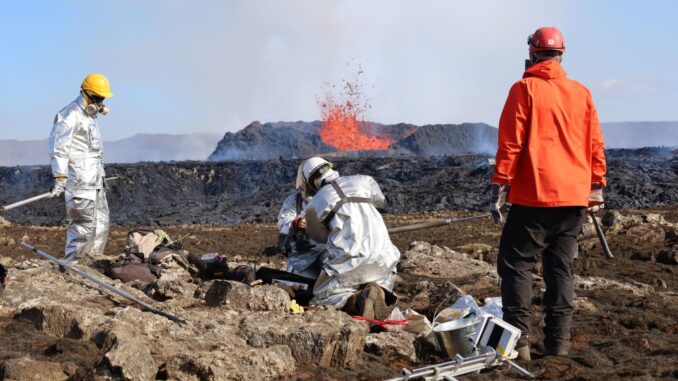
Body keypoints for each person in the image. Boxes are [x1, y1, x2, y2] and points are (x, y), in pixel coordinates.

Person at [490, 27, 606, 360]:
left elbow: (510, 143)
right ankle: (558, 344)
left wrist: (499, 187)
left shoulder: (524, 89)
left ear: (532, 53)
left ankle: (519, 345)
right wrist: (596, 186)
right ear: (562, 54)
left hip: (534, 198)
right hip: (573, 200)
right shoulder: (581, 93)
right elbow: (596, 143)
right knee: (560, 270)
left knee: (516, 266)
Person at [301, 157, 400, 319]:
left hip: (350, 263)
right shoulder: (364, 180)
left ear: (312, 181)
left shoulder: (315, 203)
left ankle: (353, 300)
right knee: (381, 279)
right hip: (385, 259)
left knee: (321, 299)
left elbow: (319, 237)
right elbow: (380, 200)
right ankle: (378, 291)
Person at [48, 73, 113, 264]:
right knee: (82, 229)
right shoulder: (69, 115)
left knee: (100, 225)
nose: (101, 102)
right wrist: (60, 177)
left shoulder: (90, 117)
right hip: (79, 184)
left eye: (103, 98)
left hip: (96, 182)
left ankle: (92, 266)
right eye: (98, 98)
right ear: (87, 94)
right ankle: (74, 269)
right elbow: (59, 149)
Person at [276, 161, 326, 279]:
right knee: (297, 286)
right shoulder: (295, 200)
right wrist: (296, 223)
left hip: (328, 255)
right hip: (302, 259)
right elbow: (283, 222)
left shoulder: (332, 199)